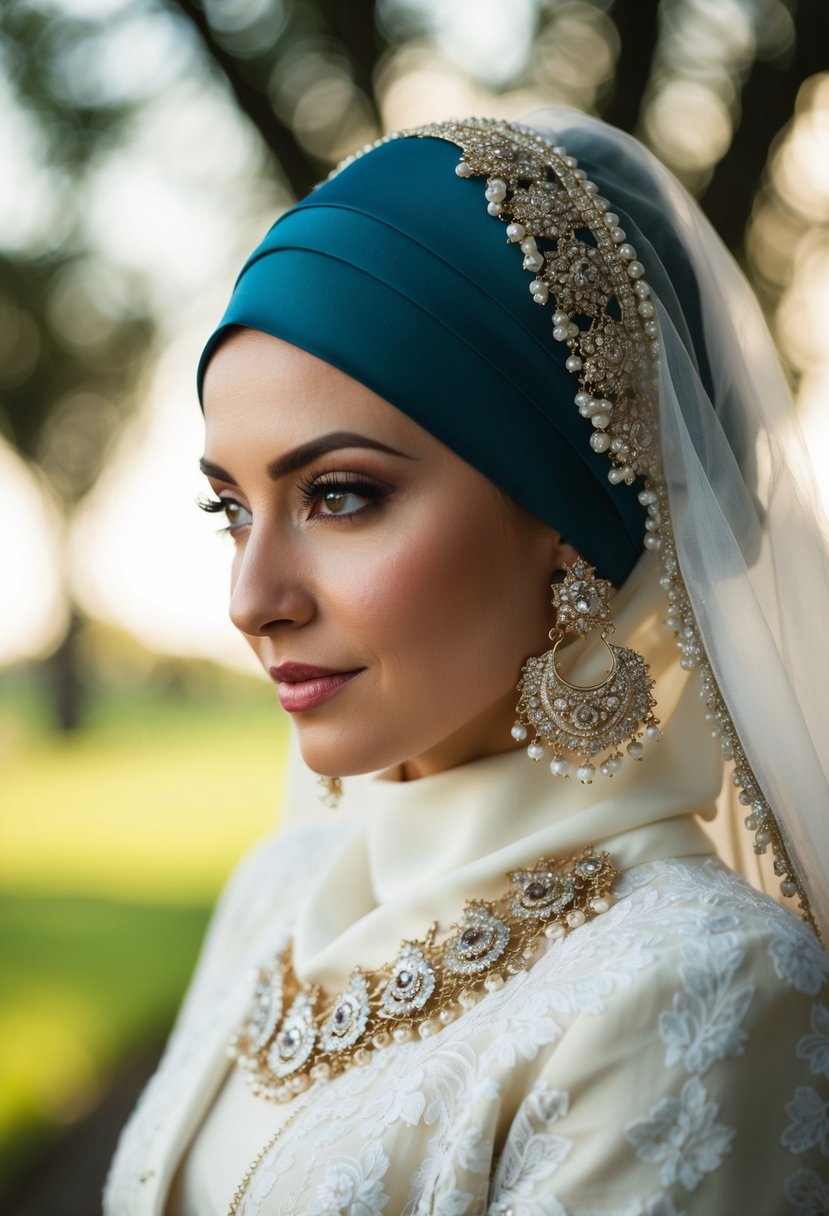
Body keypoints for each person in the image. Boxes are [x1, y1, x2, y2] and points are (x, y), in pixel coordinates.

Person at [105, 113, 829, 1216]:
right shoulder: (278, 891)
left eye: (339, 494)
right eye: (230, 509)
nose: (252, 600)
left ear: (568, 513)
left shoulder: (702, 982)